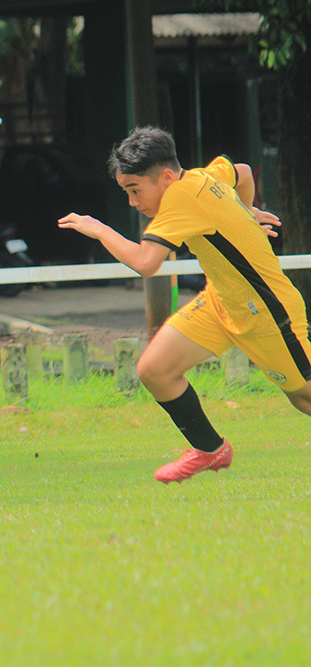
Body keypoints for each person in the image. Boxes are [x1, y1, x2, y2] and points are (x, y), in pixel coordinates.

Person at [58, 126, 310, 484]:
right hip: (220, 301)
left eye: (135, 190)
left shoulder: (180, 198)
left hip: (265, 311)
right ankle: (210, 449)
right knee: (154, 369)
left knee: (303, 398)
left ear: (165, 177)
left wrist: (100, 230)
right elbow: (239, 170)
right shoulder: (202, 175)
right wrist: (246, 210)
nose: (133, 202)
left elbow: (147, 263)